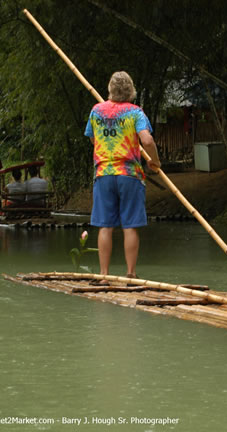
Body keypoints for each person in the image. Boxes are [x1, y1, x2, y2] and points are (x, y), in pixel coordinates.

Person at [84, 71, 161, 283]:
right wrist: (154, 161)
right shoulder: (135, 113)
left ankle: (103, 274)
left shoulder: (96, 111)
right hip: (130, 175)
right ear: (130, 90)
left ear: (110, 89)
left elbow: (93, 139)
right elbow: (147, 140)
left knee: (105, 225)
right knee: (130, 225)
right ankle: (130, 273)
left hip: (104, 174)